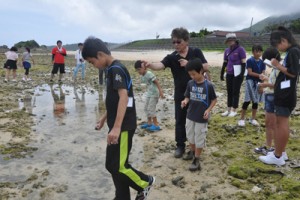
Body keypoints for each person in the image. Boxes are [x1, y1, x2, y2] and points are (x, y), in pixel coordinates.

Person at [82, 36, 155, 200]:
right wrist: (104, 118)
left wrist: (116, 127)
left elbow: (123, 97)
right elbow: (115, 99)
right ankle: (122, 196)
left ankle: (145, 182)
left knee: (120, 165)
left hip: (123, 126)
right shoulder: (111, 70)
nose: (94, 66)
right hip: (116, 125)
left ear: (100, 55)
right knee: (112, 165)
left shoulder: (117, 69)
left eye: (92, 62)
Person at [143, 27, 209, 158]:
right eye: (173, 42)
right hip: (180, 94)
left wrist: (189, 64)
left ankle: (194, 147)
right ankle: (180, 146)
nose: (176, 45)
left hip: (197, 93)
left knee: (196, 120)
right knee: (179, 120)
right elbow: (161, 65)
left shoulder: (196, 52)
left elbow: (206, 66)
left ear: (186, 41)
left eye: (178, 42)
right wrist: (150, 65)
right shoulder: (172, 57)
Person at [259, 26, 300, 166]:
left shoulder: (293, 51)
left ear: (283, 40)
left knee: (281, 123)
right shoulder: (293, 51)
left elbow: (293, 72)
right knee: (279, 123)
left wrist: (277, 65)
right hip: (285, 93)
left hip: (286, 94)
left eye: (277, 45)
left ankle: (278, 156)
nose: (278, 48)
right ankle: (280, 152)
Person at [181, 58, 217, 171]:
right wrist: (185, 101)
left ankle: (197, 159)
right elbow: (187, 96)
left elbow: (214, 100)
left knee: (199, 138)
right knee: (190, 137)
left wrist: (208, 110)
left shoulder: (209, 85)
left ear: (201, 71)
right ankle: (192, 152)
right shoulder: (190, 83)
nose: (192, 77)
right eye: (190, 74)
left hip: (202, 118)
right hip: (190, 115)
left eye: (194, 74)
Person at [254, 47, 284, 156]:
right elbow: (273, 82)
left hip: (273, 97)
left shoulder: (280, 68)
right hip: (269, 96)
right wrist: (266, 79)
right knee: (268, 123)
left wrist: (265, 84)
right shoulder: (275, 68)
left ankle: (274, 148)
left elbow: (279, 86)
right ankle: (268, 146)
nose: (266, 65)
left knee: (273, 124)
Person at [238, 45, 266, 127]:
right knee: (247, 100)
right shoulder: (250, 60)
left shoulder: (262, 62)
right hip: (250, 82)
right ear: (253, 52)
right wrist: (260, 76)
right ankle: (242, 119)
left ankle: (253, 119)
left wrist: (262, 85)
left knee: (256, 101)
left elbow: (264, 73)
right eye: (257, 51)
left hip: (258, 83)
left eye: (260, 51)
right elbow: (250, 73)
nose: (259, 53)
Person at [220, 33, 247, 117]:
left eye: (231, 40)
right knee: (229, 91)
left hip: (237, 74)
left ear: (235, 40)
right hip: (229, 73)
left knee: (235, 91)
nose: (230, 42)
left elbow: (243, 63)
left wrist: (241, 74)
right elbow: (225, 62)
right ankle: (228, 109)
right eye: (228, 41)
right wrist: (221, 73)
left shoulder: (240, 49)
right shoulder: (227, 50)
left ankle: (234, 110)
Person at [134, 60, 164, 132]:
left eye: (139, 69)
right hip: (149, 93)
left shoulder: (149, 73)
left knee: (151, 109)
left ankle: (156, 125)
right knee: (146, 108)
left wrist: (161, 92)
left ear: (144, 68)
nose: (139, 71)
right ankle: (149, 123)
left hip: (154, 94)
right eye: (137, 70)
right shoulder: (142, 75)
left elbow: (156, 82)